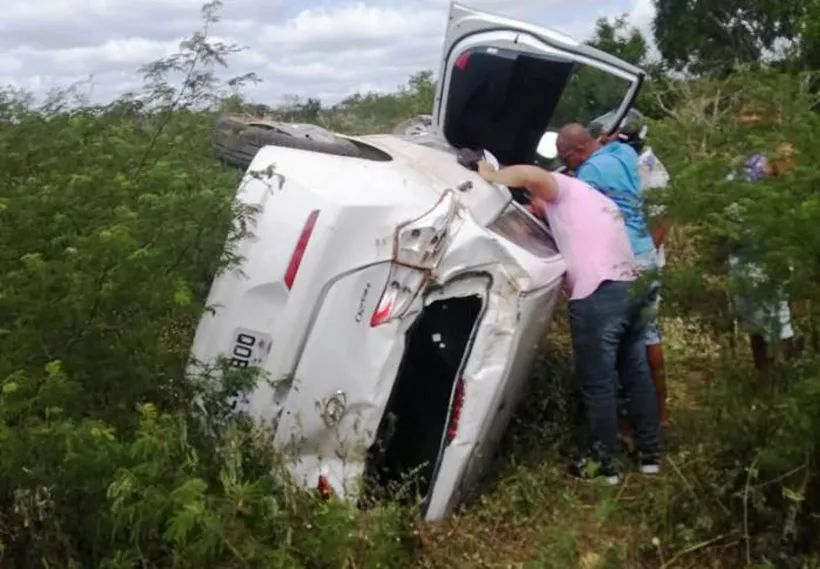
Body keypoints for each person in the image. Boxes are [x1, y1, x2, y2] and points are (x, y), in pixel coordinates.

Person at [474, 157, 662, 485]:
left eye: (533, 201)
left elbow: (531, 175)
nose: (533, 207)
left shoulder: (564, 190)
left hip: (601, 293)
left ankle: (604, 466)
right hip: (633, 286)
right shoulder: (596, 201)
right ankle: (650, 455)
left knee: (598, 382)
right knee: (636, 371)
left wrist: (491, 175)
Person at [556, 123, 667, 426]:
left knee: (618, 349)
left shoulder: (589, 175)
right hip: (647, 254)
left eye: (567, 158)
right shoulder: (622, 153)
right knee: (647, 335)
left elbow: (573, 214)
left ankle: (624, 425)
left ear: (580, 150)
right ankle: (659, 415)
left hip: (621, 260)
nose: (567, 165)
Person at [724, 133, 800, 375]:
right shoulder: (743, 163)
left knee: (775, 317)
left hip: (766, 253)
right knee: (756, 320)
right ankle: (767, 379)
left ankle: (782, 379)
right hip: (743, 251)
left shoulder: (774, 157)